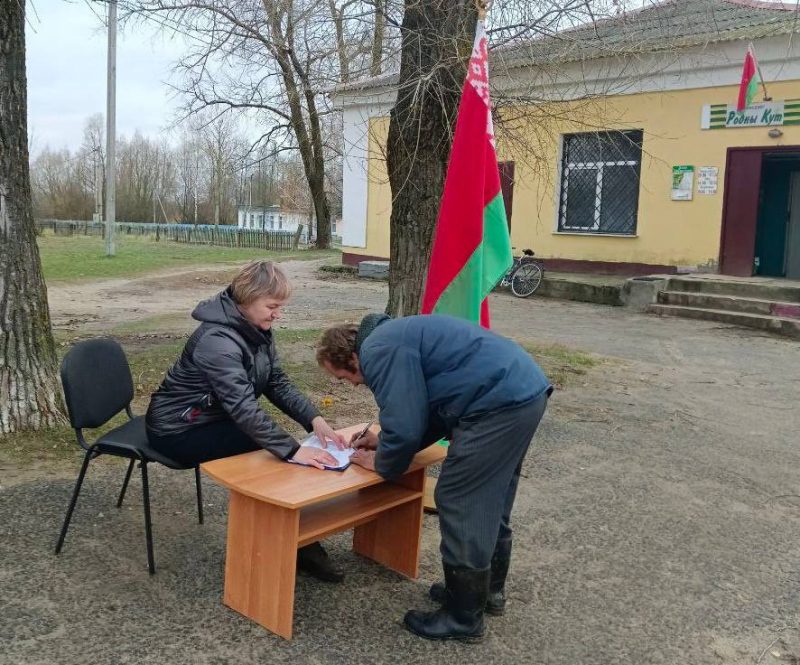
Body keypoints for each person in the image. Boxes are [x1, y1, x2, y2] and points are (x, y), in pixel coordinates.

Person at [316, 313, 552, 641]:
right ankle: (486, 595)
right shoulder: (396, 337)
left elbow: (409, 426)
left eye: (342, 377)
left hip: (496, 405)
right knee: (491, 499)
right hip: (520, 393)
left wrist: (381, 463)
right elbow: (429, 410)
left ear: (352, 357)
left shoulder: (377, 349)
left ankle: (462, 618)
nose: (352, 384)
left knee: (459, 499)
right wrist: (384, 442)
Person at [146, 260, 346, 582]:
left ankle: (289, 544)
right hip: (178, 428)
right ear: (247, 299)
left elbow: (276, 381)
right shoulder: (217, 341)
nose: (276, 314)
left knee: (275, 449)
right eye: (272, 306)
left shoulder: (257, 330)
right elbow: (241, 407)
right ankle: (291, 549)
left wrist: (314, 420)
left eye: (279, 307)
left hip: (212, 419)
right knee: (272, 454)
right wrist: (292, 450)